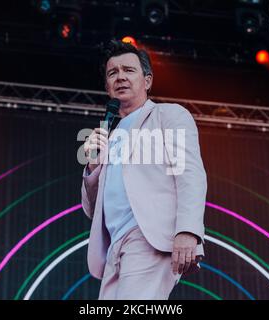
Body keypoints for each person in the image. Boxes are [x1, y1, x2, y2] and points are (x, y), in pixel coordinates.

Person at [81, 40, 207, 300]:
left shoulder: (168, 115)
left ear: (147, 81)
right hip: (115, 245)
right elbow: (92, 209)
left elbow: (190, 174)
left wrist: (187, 231)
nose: (120, 77)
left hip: (147, 237)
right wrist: (93, 166)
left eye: (129, 70)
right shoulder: (109, 134)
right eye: (112, 73)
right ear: (107, 87)